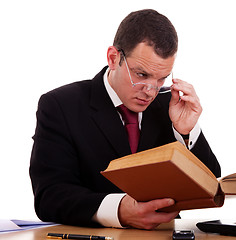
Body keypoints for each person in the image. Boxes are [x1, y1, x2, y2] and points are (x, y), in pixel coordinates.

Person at [29, 9, 220, 230]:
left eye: (162, 78)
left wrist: (186, 131)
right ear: (113, 58)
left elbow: (212, 187)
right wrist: (118, 210)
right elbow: (49, 197)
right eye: (141, 75)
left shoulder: (169, 105)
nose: (151, 91)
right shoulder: (61, 105)